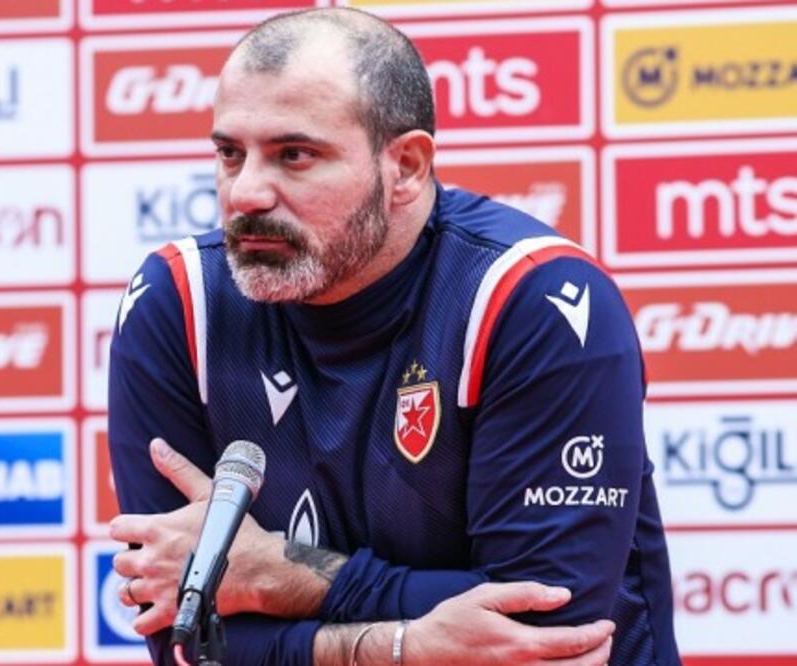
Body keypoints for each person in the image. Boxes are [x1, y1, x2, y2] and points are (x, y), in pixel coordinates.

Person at [108, 7, 680, 666]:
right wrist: (405, 646)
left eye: (295, 155)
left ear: (405, 166)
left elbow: (542, 630)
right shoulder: (177, 303)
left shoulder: (533, 299)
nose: (247, 193)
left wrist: (284, 571)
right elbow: (184, 639)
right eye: (230, 154)